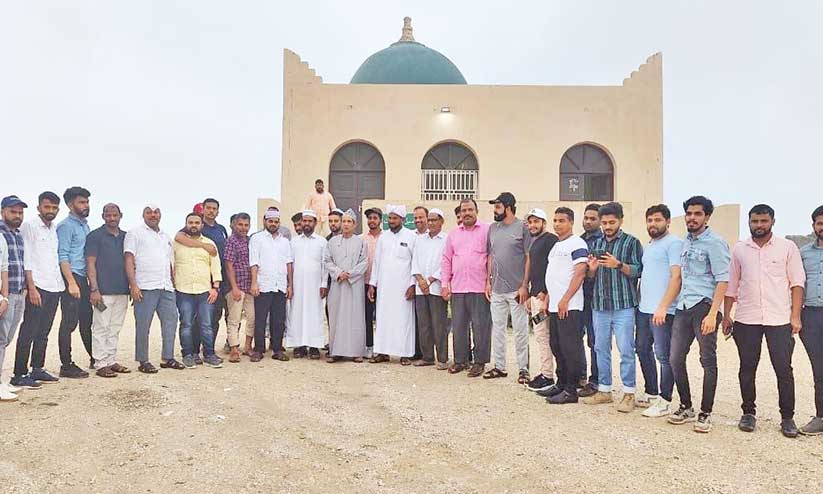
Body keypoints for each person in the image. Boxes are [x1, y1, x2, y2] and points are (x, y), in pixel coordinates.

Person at [723, 204, 804, 437]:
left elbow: (797, 283)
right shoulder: (740, 249)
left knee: (783, 369)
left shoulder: (787, 248)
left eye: (763, 221)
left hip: (779, 318)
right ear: (749, 222)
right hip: (747, 318)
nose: (759, 225)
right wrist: (727, 315)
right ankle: (748, 413)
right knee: (747, 367)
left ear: (772, 222)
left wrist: (795, 316)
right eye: (755, 221)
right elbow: (731, 285)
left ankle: (787, 418)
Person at [668, 196, 730, 433]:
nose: (692, 218)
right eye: (689, 213)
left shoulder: (715, 242)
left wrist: (714, 313)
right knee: (675, 358)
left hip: (704, 306)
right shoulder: (685, 242)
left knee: (707, 360)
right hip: (683, 306)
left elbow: (723, 279)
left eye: (697, 214)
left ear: (707, 217)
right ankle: (686, 405)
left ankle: (705, 412)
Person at [583, 202, 643, 412]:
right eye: (604, 222)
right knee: (600, 348)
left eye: (612, 222)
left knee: (626, 349)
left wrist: (618, 264)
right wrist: (591, 270)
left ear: (620, 220)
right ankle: (604, 390)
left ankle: (628, 393)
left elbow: (638, 271)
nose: (607, 226)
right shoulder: (596, 243)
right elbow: (590, 277)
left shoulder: (631, 242)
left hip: (624, 304)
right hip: (599, 304)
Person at [124, 204, 185, 373]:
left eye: (156, 212)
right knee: (143, 325)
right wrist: (133, 285)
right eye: (149, 212)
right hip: (145, 286)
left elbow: (169, 262)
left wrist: (173, 283)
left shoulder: (165, 236)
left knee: (171, 322)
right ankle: (143, 360)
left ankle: (168, 358)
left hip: (165, 286)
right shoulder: (134, 233)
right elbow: (129, 259)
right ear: (143, 215)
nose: (153, 215)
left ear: (160, 215)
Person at [12, 192, 64, 389]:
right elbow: (27, 258)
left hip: (54, 286)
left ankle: (37, 368)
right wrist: (31, 288)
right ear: (39, 207)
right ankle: (19, 373)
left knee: (44, 331)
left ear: (58, 209)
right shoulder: (30, 226)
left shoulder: (54, 229)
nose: (50, 211)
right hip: (38, 286)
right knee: (29, 330)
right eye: (46, 207)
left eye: (53, 208)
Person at [636, 204, 682, 417]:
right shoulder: (650, 245)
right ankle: (652, 393)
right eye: (650, 220)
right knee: (642, 349)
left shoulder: (673, 244)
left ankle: (665, 400)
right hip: (644, 309)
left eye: (657, 220)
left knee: (663, 356)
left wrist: (663, 306)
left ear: (668, 221)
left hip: (663, 311)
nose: (653, 224)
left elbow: (676, 277)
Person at [540, 207, 588, 404]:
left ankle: (571, 390)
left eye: (562, 220)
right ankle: (561, 383)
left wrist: (566, 299)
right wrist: (549, 299)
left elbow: (580, 273)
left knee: (570, 348)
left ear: (571, 223)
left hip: (570, 306)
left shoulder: (577, 243)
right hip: (555, 305)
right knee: (556, 346)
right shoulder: (556, 246)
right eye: (555, 220)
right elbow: (554, 276)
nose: (557, 224)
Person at [441, 198, 491, 377]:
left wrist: (489, 282)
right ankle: (461, 360)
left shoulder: (486, 230)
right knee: (459, 326)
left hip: (479, 287)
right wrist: (445, 284)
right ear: (460, 214)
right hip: (458, 287)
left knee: (481, 327)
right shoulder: (453, 234)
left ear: (476, 211)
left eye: (470, 210)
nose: (467, 213)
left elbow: (491, 257)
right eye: (464, 211)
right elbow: (446, 260)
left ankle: (479, 362)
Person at [485, 192, 531, 383]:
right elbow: (491, 255)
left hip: (516, 289)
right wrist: (488, 281)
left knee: (520, 330)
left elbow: (529, 257)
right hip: (496, 289)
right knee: (498, 329)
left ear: (508, 207)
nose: (495, 211)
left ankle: (523, 369)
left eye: (497, 207)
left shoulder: (523, 228)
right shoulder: (493, 229)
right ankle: (500, 366)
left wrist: (524, 285)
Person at [176, 198, 227, 358]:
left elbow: (218, 258)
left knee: (211, 320)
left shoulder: (221, 229)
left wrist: (216, 285)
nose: (211, 211)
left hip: (213, 282)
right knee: (190, 322)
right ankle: (192, 352)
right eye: (208, 208)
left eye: (214, 208)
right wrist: (204, 246)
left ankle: (208, 351)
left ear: (218, 211)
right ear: (203, 210)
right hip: (189, 285)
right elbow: (179, 239)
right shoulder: (187, 231)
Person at [85, 203, 131, 378]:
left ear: (121, 216)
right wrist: (94, 289)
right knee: (101, 327)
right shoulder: (95, 236)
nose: (112, 218)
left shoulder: (126, 237)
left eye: (115, 215)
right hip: (102, 291)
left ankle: (111, 360)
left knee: (115, 327)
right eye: (108, 215)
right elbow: (90, 263)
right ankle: (100, 363)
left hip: (122, 290)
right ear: (103, 216)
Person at [368, 205, 416, 364]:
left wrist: (412, 284)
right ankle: (382, 352)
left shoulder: (411, 236)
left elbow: (415, 263)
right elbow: (376, 262)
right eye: (390, 218)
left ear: (402, 219)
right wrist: (372, 284)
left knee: (403, 320)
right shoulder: (383, 237)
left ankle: (404, 354)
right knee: (383, 319)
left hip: (403, 287)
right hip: (384, 287)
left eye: (395, 218)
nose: (392, 221)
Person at [56, 186, 93, 378]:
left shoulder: (84, 225)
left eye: (87, 202)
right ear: (70, 205)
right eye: (81, 202)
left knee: (87, 320)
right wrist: (70, 282)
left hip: (83, 277)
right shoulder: (65, 226)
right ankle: (66, 364)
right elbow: (62, 256)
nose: (86, 205)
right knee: (69, 322)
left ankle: (95, 357)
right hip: (71, 277)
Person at [249, 208, 293, 362]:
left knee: (279, 319)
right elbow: (254, 262)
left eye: (276, 222)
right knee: (260, 318)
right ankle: (258, 349)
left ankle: (277, 349)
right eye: (270, 221)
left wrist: (290, 285)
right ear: (265, 221)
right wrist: (254, 282)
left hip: (280, 285)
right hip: (263, 284)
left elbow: (288, 264)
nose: (273, 224)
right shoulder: (257, 238)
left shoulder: (285, 241)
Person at [325, 209, 369, 362]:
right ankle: (335, 351)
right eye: (343, 221)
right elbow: (327, 261)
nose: (345, 224)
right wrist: (338, 273)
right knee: (336, 316)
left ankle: (357, 352)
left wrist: (350, 274)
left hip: (354, 285)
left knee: (355, 317)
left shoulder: (361, 242)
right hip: (337, 285)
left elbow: (364, 262)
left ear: (355, 224)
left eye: (349, 221)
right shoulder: (332, 242)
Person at [523, 208, 558, 392]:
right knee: (541, 336)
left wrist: (545, 292)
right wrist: (530, 293)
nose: (533, 225)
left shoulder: (551, 240)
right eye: (530, 222)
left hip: (545, 297)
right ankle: (546, 373)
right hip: (536, 295)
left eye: (537, 221)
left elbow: (552, 269)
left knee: (545, 337)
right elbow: (535, 270)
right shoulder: (535, 242)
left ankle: (548, 376)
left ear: (544, 223)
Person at [0, 196, 33, 395]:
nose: (17, 216)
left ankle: (3, 382)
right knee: (1, 339)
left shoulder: (18, 235)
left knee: (6, 339)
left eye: (20, 212)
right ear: (3, 211)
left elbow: (21, 263)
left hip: (19, 292)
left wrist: (26, 288)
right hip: (6, 294)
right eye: (13, 212)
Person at [287, 210, 328, 359]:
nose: (306, 224)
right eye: (304, 221)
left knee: (315, 314)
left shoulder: (322, 242)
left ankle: (314, 346)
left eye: (310, 221)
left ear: (315, 223)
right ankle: (299, 345)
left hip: (316, 286)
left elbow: (325, 265)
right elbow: (290, 265)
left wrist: (324, 284)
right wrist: (290, 285)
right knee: (296, 313)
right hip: (297, 285)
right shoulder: (294, 242)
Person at [412, 208, 449, 368]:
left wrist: (430, 280)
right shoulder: (420, 240)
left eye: (435, 220)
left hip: (436, 287)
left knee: (438, 324)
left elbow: (446, 263)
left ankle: (442, 359)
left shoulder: (447, 239)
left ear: (441, 222)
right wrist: (421, 280)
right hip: (421, 288)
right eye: (430, 220)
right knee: (424, 324)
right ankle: (427, 357)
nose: (431, 223)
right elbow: (415, 262)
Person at [800, 204, 823, 435]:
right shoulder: (804, 253)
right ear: (814, 226)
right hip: (812, 316)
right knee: (819, 368)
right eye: (820, 223)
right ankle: (821, 416)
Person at [224, 212, 255, 362]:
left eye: (246, 225)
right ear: (234, 225)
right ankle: (234, 349)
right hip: (236, 287)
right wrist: (234, 287)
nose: (243, 228)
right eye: (240, 225)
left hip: (250, 287)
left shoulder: (250, 241)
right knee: (234, 319)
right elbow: (229, 266)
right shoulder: (231, 241)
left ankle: (248, 347)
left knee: (252, 318)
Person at [579, 203, 602, 397]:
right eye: (586, 218)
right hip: (580, 296)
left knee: (595, 341)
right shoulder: (578, 241)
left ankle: (597, 381)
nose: (588, 221)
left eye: (592, 218)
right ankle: (580, 376)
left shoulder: (603, 241)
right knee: (577, 338)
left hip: (598, 297)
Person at [361, 207, 382, 358]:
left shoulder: (386, 237)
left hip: (383, 283)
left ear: (380, 220)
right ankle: (369, 346)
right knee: (367, 316)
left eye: (375, 218)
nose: (372, 221)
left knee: (382, 316)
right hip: (365, 282)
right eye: (369, 218)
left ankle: (382, 347)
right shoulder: (361, 238)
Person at [411, 205, 429, 360]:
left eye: (421, 217)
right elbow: (411, 262)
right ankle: (416, 351)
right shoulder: (410, 236)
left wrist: (427, 281)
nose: (418, 220)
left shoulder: (434, 236)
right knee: (415, 320)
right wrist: (416, 281)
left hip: (430, 286)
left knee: (430, 322)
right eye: (415, 217)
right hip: (414, 284)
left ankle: (428, 354)